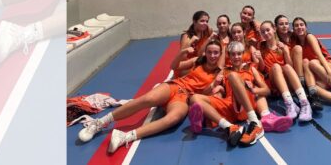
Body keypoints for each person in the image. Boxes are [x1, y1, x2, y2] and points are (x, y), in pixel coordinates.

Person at [77, 39, 224, 153]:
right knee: (147, 99)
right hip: (175, 86)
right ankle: (99, 123)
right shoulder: (197, 61)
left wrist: (214, 85)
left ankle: (125, 137)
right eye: (210, 52)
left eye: (216, 53)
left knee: (173, 119)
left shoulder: (220, 74)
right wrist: (182, 52)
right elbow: (174, 67)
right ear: (205, 52)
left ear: (220, 54)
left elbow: (204, 96)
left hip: (185, 99)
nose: (212, 55)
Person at [188, 41, 292, 146]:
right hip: (231, 105)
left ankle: (255, 122)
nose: (236, 57)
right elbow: (205, 93)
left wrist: (253, 90)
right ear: (229, 56)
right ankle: (230, 127)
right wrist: (215, 85)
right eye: (233, 54)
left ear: (243, 54)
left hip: (247, 104)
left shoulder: (250, 67)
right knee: (194, 98)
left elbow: (267, 90)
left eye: (238, 54)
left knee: (233, 76)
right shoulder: (224, 71)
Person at [257, 20, 312, 122]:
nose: (266, 33)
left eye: (268, 30)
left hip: (286, 82)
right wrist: (260, 58)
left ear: (274, 29)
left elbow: (290, 67)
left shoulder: (282, 46)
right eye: (263, 32)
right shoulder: (261, 46)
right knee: (276, 67)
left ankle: (305, 103)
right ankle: (289, 103)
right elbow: (262, 69)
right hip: (273, 82)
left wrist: (286, 52)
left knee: (286, 67)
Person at [275, 14, 323, 111]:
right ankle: (303, 91)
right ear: (275, 27)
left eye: (286, 23)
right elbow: (288, 65)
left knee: (306, 63)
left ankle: (311, 94)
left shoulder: (294, 35)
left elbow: (305, 35)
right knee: (297, 49)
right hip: (288, 72)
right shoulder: (275, 41)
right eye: (281, 24)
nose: (284, 26)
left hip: (299, 70)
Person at [172, 10, 213, 76]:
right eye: (202, 21)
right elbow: (182, 56)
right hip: (184, 67)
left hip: (199, 62)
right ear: (194, 21)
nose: (205, 23)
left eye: (207, 21)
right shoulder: (187, 36)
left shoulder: (207, 31)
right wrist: (190, 42)